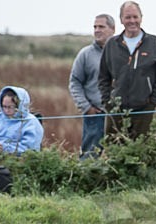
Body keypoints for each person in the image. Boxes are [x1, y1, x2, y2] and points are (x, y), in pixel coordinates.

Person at [98, 1, 156, 140]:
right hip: (116, 111)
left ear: (141, 17)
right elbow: (103, 78)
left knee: (141, 153)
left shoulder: (154, 43)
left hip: (144, 110)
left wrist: (151, 103)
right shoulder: (112, 44)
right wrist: (109, 103)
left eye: (135, 17)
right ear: (121, 19)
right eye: (128, 17)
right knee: (114, 152)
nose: (132, 21)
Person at [69, 14, 116, 159]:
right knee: (89, 158)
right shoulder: (85, 54)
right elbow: (74, 82)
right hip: (95, 115)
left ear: (112, 29)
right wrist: (86, 108)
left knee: (119, 157)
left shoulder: (122, 52)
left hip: (119, 115)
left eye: (101, 27)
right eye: (95, 27)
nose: (97, 30)